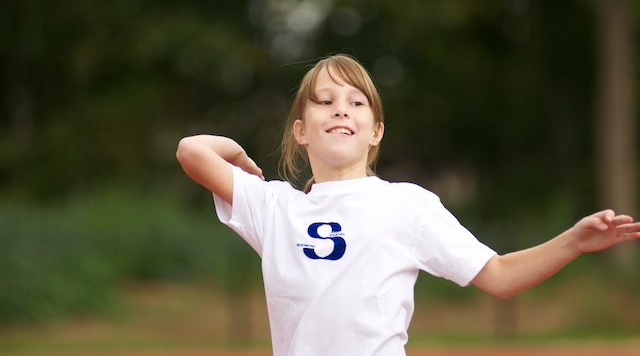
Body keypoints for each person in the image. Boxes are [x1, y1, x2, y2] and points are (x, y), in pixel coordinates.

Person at [176, 54, 640, 356]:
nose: (341, 109)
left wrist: (573, 241)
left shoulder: (407, 205)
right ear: (301, 130)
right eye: (325, 100)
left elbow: (499, 277)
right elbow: (191, 151)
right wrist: (238, 155)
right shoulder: (274, 208)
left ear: (375, 131)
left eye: (357, 102)